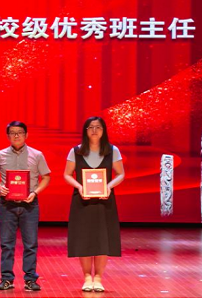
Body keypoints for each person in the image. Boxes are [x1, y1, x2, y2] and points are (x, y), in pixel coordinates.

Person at [0, 121, 51, 291]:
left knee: (31, 244)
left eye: (20, 132)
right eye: (13, 133)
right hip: (7, 205)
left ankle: (30, 279)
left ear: (26, 135)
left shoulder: (37, 155)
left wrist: (35, 192)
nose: (16, 136)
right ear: (8, 136)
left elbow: (46, 177)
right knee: (7, 244)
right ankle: (7, 279)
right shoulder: (0, 155)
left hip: (30, 204)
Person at [64, 116, 125, 293]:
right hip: (82, 200)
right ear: (85, 131)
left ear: (104, 130)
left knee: (102, 239)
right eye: (90, 127)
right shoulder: (76, 151)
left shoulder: (112, 150)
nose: (94, 130)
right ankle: (87, 277)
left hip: (104, 201)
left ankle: (98, 277)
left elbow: (120, 174)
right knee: (84, 238)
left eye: (98, 127)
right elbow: (67, 174)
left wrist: (109, 186)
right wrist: (79, 186)